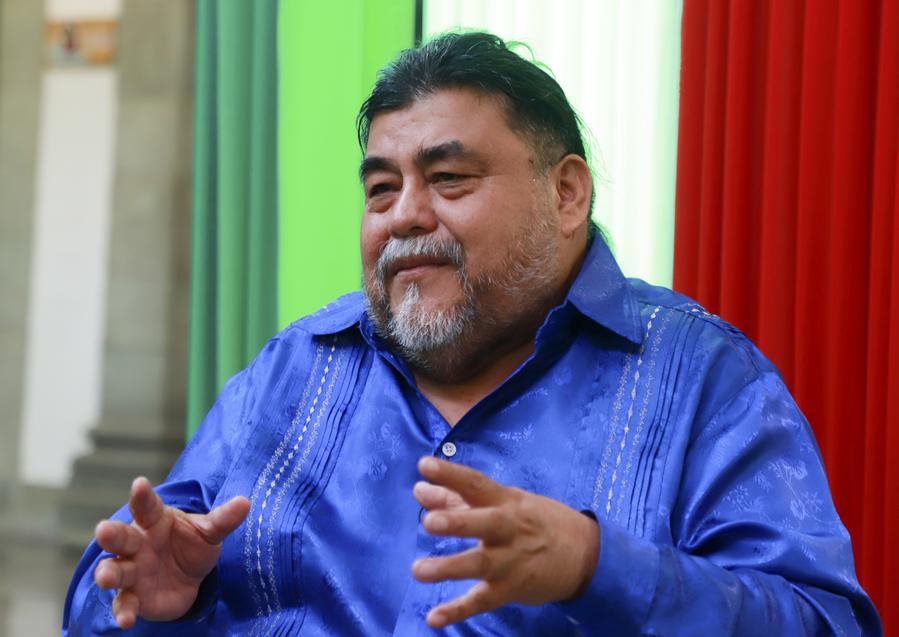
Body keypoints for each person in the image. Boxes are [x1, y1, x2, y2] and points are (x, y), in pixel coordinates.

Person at [63, 32, 882, 636]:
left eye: (448, 178)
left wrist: (595, 565)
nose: (405, 215)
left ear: (566, 194)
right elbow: (116, 586)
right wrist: (159, 600)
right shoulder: (296, 368)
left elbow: (820, 622)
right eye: (380, 190)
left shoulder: (700, 378)